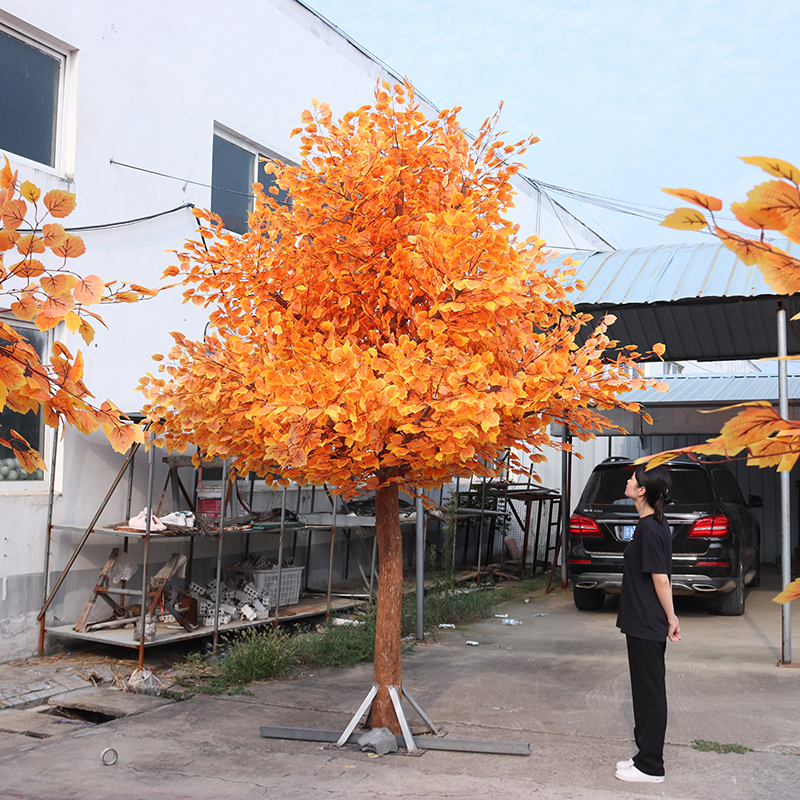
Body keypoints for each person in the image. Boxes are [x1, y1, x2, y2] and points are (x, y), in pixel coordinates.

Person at [615, 463, 681, 783]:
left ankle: (652, 766)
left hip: (647, 621)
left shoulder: (650, 529)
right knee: (643, 693)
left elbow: (661, 580)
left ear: (642, 491)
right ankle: (643, 756)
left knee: (650, 694)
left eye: (633, 479)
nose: (628, 481)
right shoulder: (650, 524)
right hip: (641, 620)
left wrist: (671, 618)